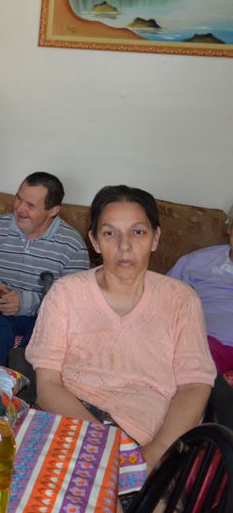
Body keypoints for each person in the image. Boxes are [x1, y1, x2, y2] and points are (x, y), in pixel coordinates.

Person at [27, 185, 214, 466]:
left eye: (138, 232)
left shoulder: (181, 299)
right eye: (110, 233)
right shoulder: (66, 293)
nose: (124, 246)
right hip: (76, 421)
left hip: (152, 437)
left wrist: (156, 451)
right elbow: (49, 384)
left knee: (149, 510)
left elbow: (194, 385)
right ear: (94, 241)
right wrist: (103, 448)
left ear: (155, 238)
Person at [0, 173, 90, 366]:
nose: (19, 208)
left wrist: (26, 302)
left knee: (50, 339)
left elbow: (75, 298)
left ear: (53, 210)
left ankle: (26, 393)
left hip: (43, 315)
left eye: (30, 205)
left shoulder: (73, 245)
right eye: (19, 198)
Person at [168, 205, 233, 373]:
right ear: (230, 230)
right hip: (209, 343)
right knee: (197, 364)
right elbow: (161, 299)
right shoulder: (196, 261)